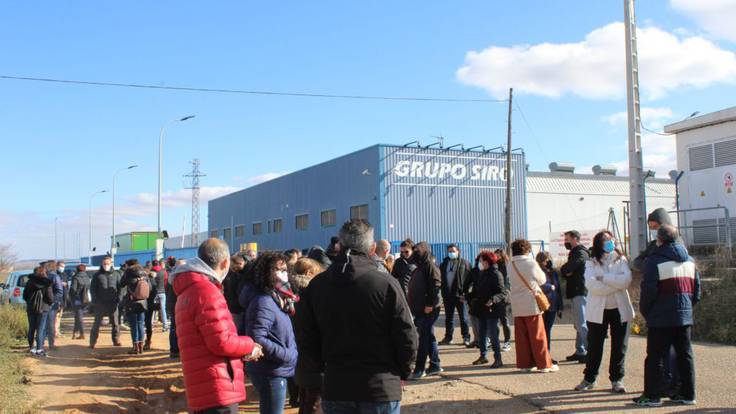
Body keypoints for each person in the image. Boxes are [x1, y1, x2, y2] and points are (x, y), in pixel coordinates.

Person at [299, 219, 417, 414]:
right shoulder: (385, 283)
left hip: (339, 385)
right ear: (372, 249)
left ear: (339, 246)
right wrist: (404, 370)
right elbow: (407, 334)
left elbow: (305, 336)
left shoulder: (318, 285)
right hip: (378, 386)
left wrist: (321, 369)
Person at [172, 239, 263, 414]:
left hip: (204, 384)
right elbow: (221, 341)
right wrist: (250, 344)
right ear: (225, 262)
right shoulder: (206, 292)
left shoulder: (189, 290)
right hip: (216, 386)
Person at [633, 225, 700, 407]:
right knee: (685, 355)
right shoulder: (691, 261)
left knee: (655, 357)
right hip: (684, 316)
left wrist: (647, 313)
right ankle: (688, 394)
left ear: (659, 239)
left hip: (661, 317)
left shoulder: (654, 261)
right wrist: (686, 309)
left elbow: (648, 292)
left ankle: (652, 396)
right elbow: (696, 292)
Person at [575, 231, 634, 394]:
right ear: (599, 243)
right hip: (598, 311)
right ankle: (590, 378)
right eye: (606, 240)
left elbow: (626, 281)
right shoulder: (591, 262)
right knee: (595, 346)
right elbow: (592, 285)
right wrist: (615, 282)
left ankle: (617, 379)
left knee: (619, 346)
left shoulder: (620, 259)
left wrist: (604, 278)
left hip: (619, 309)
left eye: (611, 239)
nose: (610, 242)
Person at [239, 252, 298, 414]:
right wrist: (286, 354)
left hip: (275, 367)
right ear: (266, 273)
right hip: (269, 370)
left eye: (285, 270)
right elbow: (257, 338)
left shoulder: (279, 298)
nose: (283, 274)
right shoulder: (263, 301)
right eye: (278, 270)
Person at [508, 239, 557, 373]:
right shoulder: (530, 263)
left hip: (517, 303)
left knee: (522, 337)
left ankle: (525, 364)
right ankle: (544, 364)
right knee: (538, 335)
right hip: (530, 302)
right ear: (527, 249)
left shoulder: (510, 264)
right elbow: (542, 279)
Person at [289, 258, 323, 414]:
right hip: (314, 360)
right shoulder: (310, 295)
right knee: (314, 405)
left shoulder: (289, 293)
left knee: (306, 401)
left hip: (299, 359)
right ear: (309, 273)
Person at [407, 241, 442, 380]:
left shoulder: (430, 267)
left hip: (428, 309)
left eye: (418, 252)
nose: (415, 254)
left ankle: (419, 369)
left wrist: (429, 304)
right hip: (420, 308)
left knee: (424, 338)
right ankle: (435, 364)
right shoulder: (419, 267)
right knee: (428, 336)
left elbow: (435, 286)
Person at [465, 251, 506, 367]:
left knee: (493, 335)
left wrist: (493, 299)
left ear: (487, 262)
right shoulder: (482, 273)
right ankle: (483, 356)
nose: (480, 263)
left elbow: (502, 293)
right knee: (481, 334)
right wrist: (467, 296)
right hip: (481, 309)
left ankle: (498, 359)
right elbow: (477, 291)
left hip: (492, 310)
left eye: (481, 260)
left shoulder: (496, 274)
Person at [560, 230, 590, 363]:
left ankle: (590, 351)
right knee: (578, 323)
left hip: (580, 291)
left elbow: (567, 268)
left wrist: (566, 271)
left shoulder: (580, 253)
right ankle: (580, 351)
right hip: (576, 291)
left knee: (581, 323)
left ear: (575, 239)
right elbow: (567, 271)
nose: (565, 242)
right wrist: (567, 272)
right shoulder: (575, 253)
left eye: (567, 239)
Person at [439, 244, 471, 346]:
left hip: (460, 295)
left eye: (453, 251)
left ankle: (466, 337)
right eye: (449, 251)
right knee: (449, 318)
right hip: (448, 295)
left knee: (464, 318)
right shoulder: (444, 264)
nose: (451, 253)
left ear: (458, 251)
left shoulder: (465, 263)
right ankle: (448, 337)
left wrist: (466, 293)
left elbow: (470, 279)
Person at [89, 256, 122, 349]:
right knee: (96, 323)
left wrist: (119, 298)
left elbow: (121, 288)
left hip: (113, 302)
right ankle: (92, 342)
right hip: (100, 303)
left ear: (111, 264)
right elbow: (92, 289)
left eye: (108, 263)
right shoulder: (97, 275)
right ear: (102, 264)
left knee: (115, 323)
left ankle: (116, 340)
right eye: (104, 264)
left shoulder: (116, 274)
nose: (106, 265)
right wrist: (95, 300)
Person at [536, 252, 563, 360]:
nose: (547, 262)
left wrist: (560, 307)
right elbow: (537, 286)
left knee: (547, 329)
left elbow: (558, 290)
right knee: (543, 330)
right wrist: (548, 287)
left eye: (548, 260)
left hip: (552, 304)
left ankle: (547, 354)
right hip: (542, 304)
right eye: (545, 260)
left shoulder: (553, 272)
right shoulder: (538, 272)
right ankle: (543, 355)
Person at [23, 266, 54, 357]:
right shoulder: (47, 283)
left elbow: (24, 296)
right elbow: (50, 298)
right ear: (44, 273)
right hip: (43, 309)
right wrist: (48, 304)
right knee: (40, 329)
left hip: (31, 308)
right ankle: (39, 349)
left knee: (31, 328)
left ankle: (32, 349)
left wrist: (30, 302)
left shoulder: (29, 282)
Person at [120, 265, 151, 354]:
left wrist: (125, 274)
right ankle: (141, 346)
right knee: (141, 324)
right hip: (143, 303)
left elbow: (121, 284)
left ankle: (135, 347)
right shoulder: (145, 276)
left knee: (133, 326)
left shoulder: (129, 277)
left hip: (131, 303)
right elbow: (150, 288)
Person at [494, 248, 512, 352]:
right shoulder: (495, 266)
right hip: (496, 296)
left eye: (497, 255)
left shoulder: (506, 266)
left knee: (504, 320)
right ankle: (494, 340)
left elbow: (507, 283)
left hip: (504, 297)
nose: (496, 257)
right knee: (495, 320)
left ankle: (507, 341)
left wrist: (503, 294)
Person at [223, 253, 247, 331]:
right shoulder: (229, 276)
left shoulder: (242, 275)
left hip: (239, 307)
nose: (240, 266)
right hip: (235, 308)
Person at [167, 258, 185, 358]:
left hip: (172, 303)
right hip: (178, 304)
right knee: (178, 328)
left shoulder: (171, 275)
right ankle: (176, 350)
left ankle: (174, 350)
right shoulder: (181, 276)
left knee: (174, 327)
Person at [69, 264, 92, 340]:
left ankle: (82, 333)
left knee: (79, 317)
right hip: (86, 299)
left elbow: (73, 289)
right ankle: (74, 333)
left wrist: (71, 297)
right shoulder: (87, 277)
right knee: (78, 316)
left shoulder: (75, 277)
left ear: (77, 269)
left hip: (77, 299)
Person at [152, 259, 169, 332]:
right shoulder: (164, 271)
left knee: (152, 310)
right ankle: (165, 326)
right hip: (162, 292)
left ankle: (150, 325)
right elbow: (166, 281)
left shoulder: (152, 272)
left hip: (154, 292)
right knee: (163, 309)